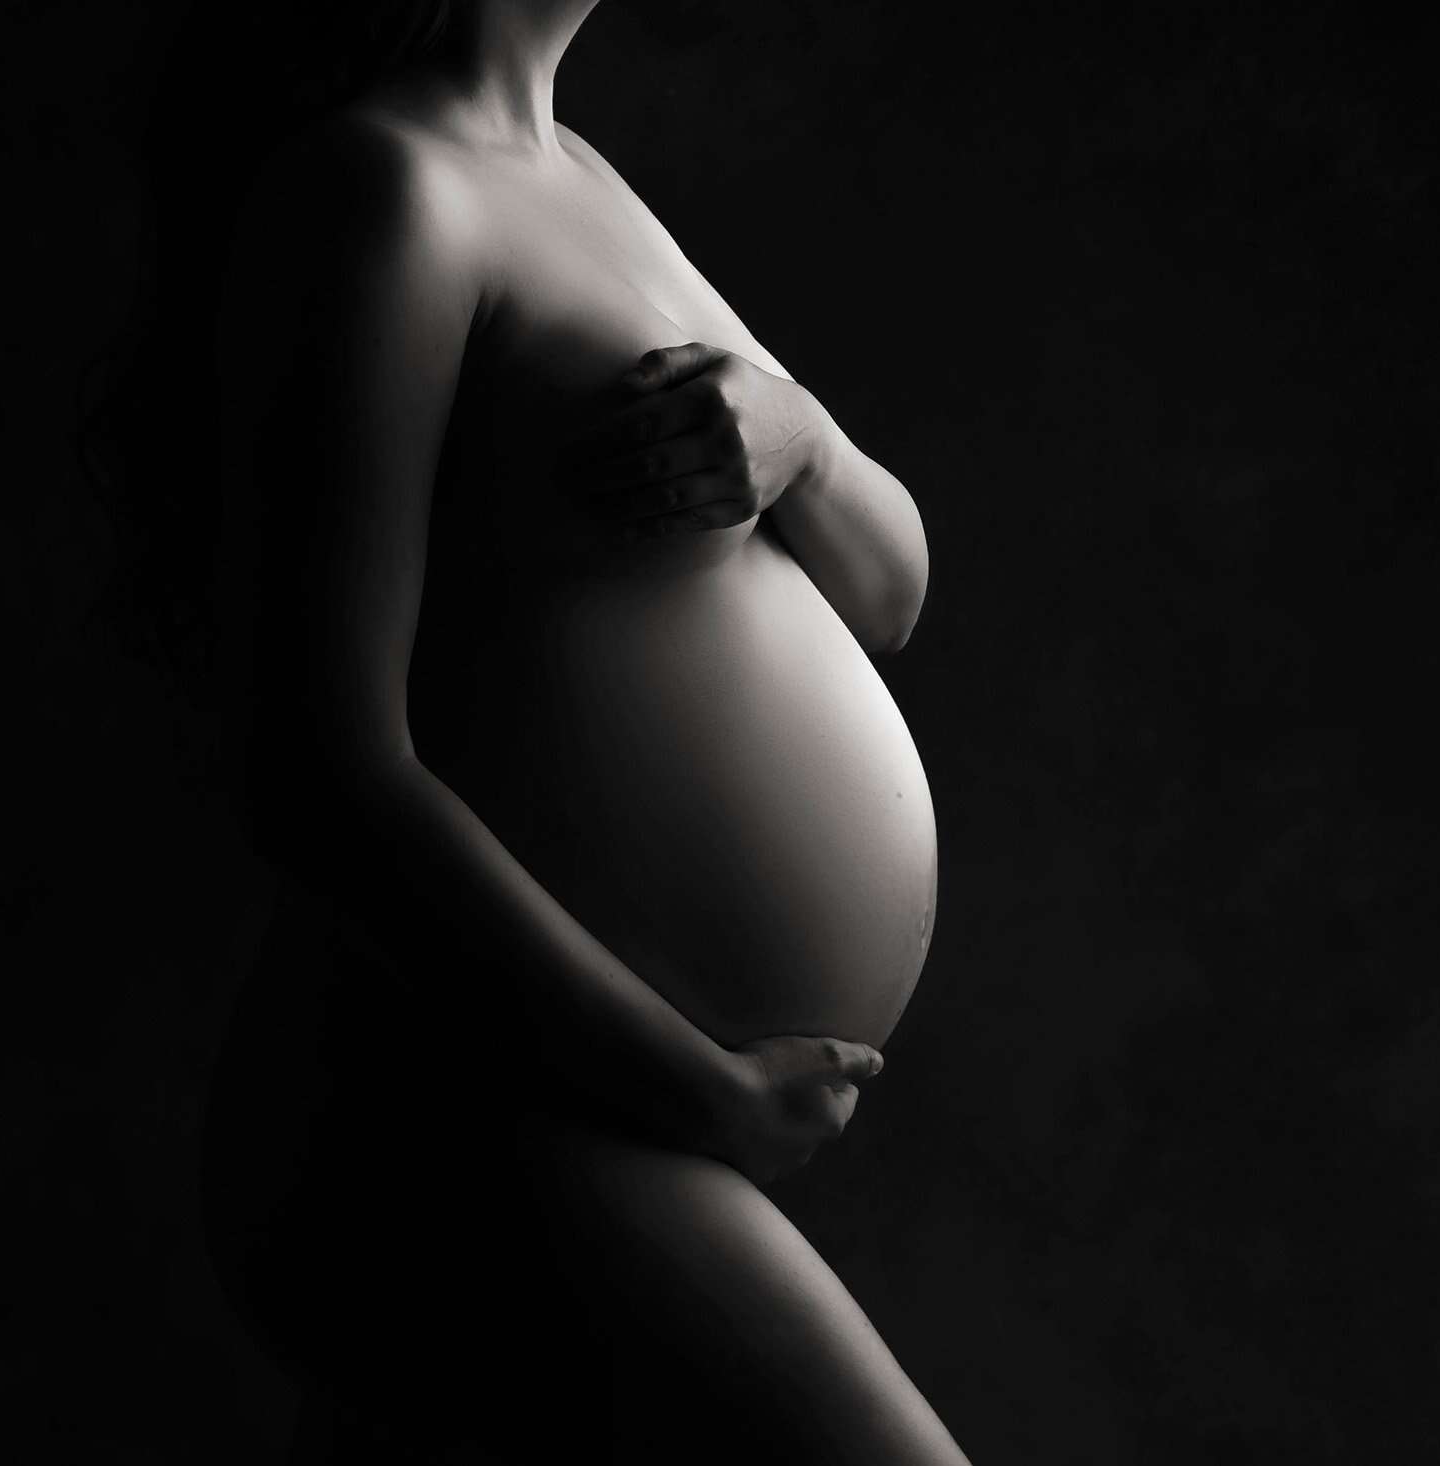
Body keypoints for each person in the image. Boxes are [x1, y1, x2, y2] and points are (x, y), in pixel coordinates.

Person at [195, 2, 968, 1461]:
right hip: (465, 1111)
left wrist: (798, 435)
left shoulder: (579, 177)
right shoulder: (389, 189)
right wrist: (700, 1090)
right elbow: (317, 772)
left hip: (582, 1112)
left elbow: (895, 586)